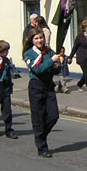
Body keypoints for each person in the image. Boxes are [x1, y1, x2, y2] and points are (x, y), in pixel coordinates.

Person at [23, 28, 60, 157]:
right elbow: (38, 69)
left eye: (41, 38)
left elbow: (55, 68)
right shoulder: (29, 53)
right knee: (38, 117)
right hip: (36, 86)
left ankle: (41, 135)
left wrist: (57, 65)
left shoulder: (49, 51)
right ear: (32, 40)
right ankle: (42, 147)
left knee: (53, 116)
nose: (40, 40)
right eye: (36, 38)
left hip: (49, 86)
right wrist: (51, 61)